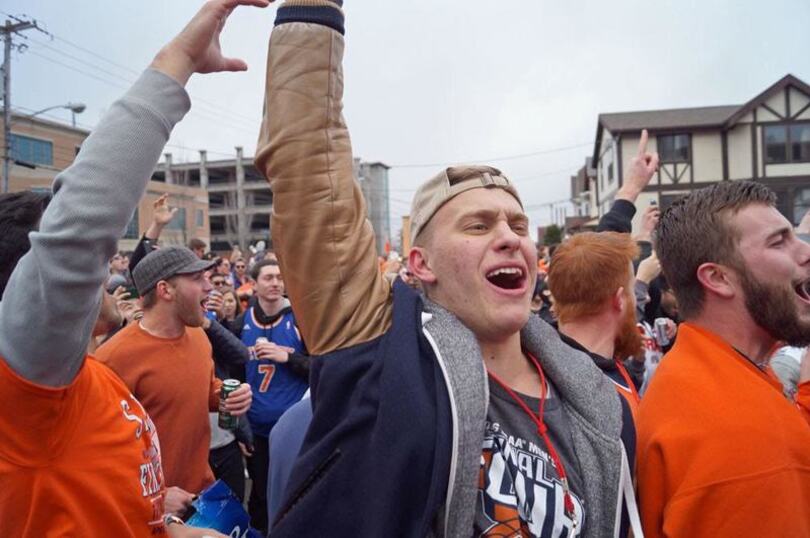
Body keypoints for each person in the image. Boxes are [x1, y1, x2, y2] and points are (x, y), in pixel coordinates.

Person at [255, 3, 638, 536]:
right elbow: (308, 167)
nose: (508, 236)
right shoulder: (377, 353)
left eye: (516, 223)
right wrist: (313, 13)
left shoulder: (594, 395)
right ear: (420, 264)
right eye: (478, 226)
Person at [0, 1, 268, 535]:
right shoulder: (29, 391)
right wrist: (177, 61)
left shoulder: (88, 373)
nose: (104, 274)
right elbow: (78, 230)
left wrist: (155, 511)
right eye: (193, 275)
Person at [637, 180, 810, 537]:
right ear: (718, 278)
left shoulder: (708, 373)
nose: (805, 251)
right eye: (779, 241)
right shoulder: (739, 433)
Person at [95, 246, 253, 508]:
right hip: (148, 509)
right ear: (165, 290)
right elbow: (98, 453)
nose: (208, 287)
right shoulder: (113, 358)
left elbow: (202, 388)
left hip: (203, 496)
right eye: (196, 279)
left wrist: (225, 395)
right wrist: (153, 497)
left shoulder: (199, 337)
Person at [230, 258, 309, 533]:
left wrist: (288, 358)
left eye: (279, 277)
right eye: (268, 277)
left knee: (297, 493)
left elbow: (321, 369)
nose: (275, 283)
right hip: (258, 429)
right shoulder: (240, 325)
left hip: (294, 429)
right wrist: (239, 427)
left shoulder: (300, 320)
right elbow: (231, 380)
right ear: (254, 284)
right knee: (261, 497)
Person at [547, 232, 644, 419]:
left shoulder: (545, 367)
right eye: (633, 289)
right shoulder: (598, 400)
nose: (641, 297)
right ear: (619, 300)